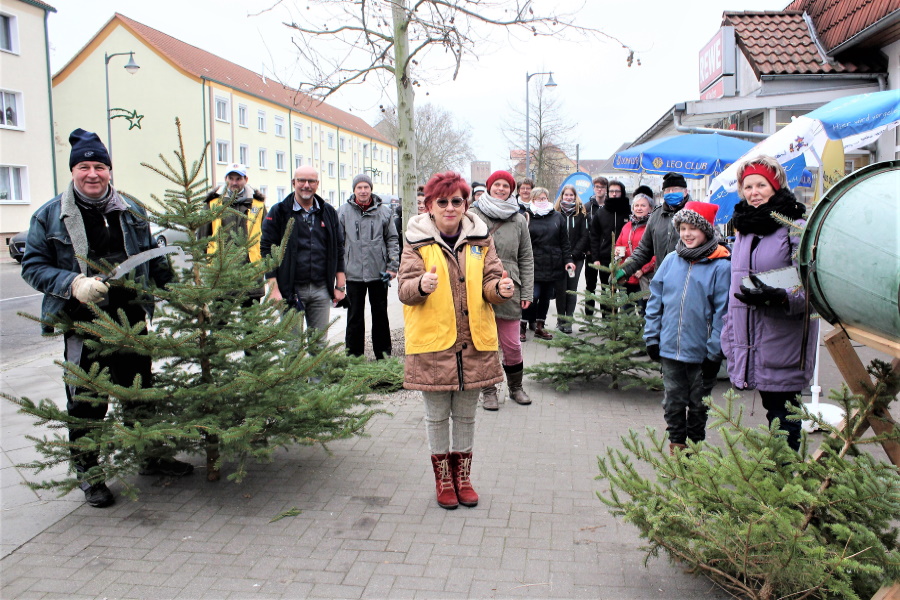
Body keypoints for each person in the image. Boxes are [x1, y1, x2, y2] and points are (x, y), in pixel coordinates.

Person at [21, 129, 191, 508]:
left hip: (131, 317)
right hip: (84, 321)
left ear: (109, 170)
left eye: (100, 166)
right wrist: (73, 283)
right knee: (86, 403)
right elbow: (33, 266)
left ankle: (150, 456)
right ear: (73, 171)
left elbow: (153, 257)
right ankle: (90, 474)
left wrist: (181, 297)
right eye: (84, 166)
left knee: (141, 392)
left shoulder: (130, 209)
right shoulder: (51, 215)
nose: (92, 173)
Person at [399, 171, 514, 509]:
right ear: (430, 206)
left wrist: (500, 289)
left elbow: (492, 280)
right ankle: (443, 480)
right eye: (442, 202)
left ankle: (463, 477)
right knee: (436, 417)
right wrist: (421, 286)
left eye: (456, 201)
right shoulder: (416, 241)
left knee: (466, 416)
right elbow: (405, 290)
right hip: (433, 346)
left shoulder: (481, 239)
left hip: (474, 344)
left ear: (465, 204)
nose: (450, 208)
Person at [720, 156, 817, 453]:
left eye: (761, 184)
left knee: (785, 416)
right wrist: (729, 330)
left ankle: (788, 482)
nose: (754, 192)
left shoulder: (795, 225)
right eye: (747, 186)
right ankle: (781, 479)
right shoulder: (744, 229)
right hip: (750, 337)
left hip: (783, 338)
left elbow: (813, 282)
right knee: (773, 412)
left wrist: (782, 297)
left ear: (775, 187)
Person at [644, 201, 731, 453]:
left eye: (693, 228)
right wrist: (652, 337)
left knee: (697, 405)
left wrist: (714, 352)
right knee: (673, 402)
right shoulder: (671, 260)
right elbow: (655, 301)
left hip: (702, 353)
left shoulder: (720, 265)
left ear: (706, 230)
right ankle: (677, 448)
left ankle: (694, 449)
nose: (687, 234)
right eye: (682, 228)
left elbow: (722, 313)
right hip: (669, 348)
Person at [468, 170, 534, 410]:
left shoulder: (518, 219)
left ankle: (516, 387)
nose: (501, 189)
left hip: (510, 287)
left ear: (511, 189)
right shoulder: (473, 215)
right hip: (478, 286)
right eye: (497, 184)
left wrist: (526, 292)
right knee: (485, 343)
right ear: (488, 186)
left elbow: (526, 257)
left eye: (506, 186)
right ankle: (488, 390)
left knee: (512, 344)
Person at [260, 166, 347, 342]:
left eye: (311, 181)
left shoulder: (328, 212)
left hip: (321, 289)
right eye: (301, 180)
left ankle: (320, 372)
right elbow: (267, 250)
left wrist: (340, 285)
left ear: (317, 184)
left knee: (319, 345)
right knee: (292, 348)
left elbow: (338, 247)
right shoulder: (279, 212)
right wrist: (273, 289)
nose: (306, 185)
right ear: (294, 183)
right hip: (290, 290)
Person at [336, 174, 399, 360]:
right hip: (353, 273)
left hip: (379, 273)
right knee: (354, 317)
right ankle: (354, 357)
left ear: (371, 189)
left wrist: (392, 266)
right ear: (354, 190)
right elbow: (338, 244)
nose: (363, 191)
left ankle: (384, 356)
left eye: (366, 187)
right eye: (359, 188)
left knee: (380, 315)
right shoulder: (343, 212)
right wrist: (339, 271)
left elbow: (392, 240)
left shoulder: (384, 212)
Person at [200, 163, 267, 308]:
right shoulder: (213, 203)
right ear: (226, 179)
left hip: (251, 269)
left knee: (251, 323)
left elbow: (266, 237)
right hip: (221, 270)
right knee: (220, 323)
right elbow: (202, 238)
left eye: (238, 178)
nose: (234, 182)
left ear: (246, 179)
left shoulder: (258, 204)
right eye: (231, 178)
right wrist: (205, 267)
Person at [617, 172, 691, 282]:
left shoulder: (696, 212)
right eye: (667, 190)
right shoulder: (656, 215)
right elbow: (644, 249)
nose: (670, 193)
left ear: (685, 192)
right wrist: (625, 269)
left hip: (689, 279)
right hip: (662, 279)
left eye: (675, 189)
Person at [522, 187, 575, 339]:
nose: (542, 201)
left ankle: (540, 326)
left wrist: (568, 260)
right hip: (533, 263)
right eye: (538, 198)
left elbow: (564, 242)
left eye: (544, 198)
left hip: (553, 263)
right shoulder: (526, 216)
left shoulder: (557, 217)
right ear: (532, 200)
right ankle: (522, 326)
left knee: (545, 297)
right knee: (532, 295)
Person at [590, 179, 631, 314]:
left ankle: (625, 323)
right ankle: (608, 323)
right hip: (605, 257)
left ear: (622, 192)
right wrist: (596, 257)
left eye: (617, 191)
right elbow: (594, 236)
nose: (614, 194)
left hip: (626, 258)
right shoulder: (601, 213)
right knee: (607, 291)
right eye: (611, 191)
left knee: (624, 291)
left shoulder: (629, 212)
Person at [554, 184, 590, 333]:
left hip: (576, 258)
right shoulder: (555, 214)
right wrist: (563, 255)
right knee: (560, 290)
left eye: (571, 195)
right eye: (566, 195)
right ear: (561, 196)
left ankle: (568, 321)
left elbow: (584, 236)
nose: (569, 197)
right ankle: (560, 320)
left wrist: (573, 254)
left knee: (572, 290)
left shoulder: (581, 214)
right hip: (560, 259)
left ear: (576, 197)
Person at [614, 191, 655, 303]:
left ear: (650, 208)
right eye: (636, 205)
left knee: (644, 312)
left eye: (643, 205)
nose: (639, 208)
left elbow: (656, 253)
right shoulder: (627, 226)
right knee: (626, 310)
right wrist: (617, 251)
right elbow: (618, 244)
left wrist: (643, 269)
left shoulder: (652, 227)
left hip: (643, 277)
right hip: (625, 276)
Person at [583, 176, 607, 318]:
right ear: (593, 188)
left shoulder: (610, 207)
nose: (600, 190)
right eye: (597, 187)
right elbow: (584, 231)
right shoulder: (587, 207)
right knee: (590, 286)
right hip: (591, 253)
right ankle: (588, 317)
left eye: (602, 187)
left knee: (606, 287)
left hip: (605, 253)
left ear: (606, 189)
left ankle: (606, 318)